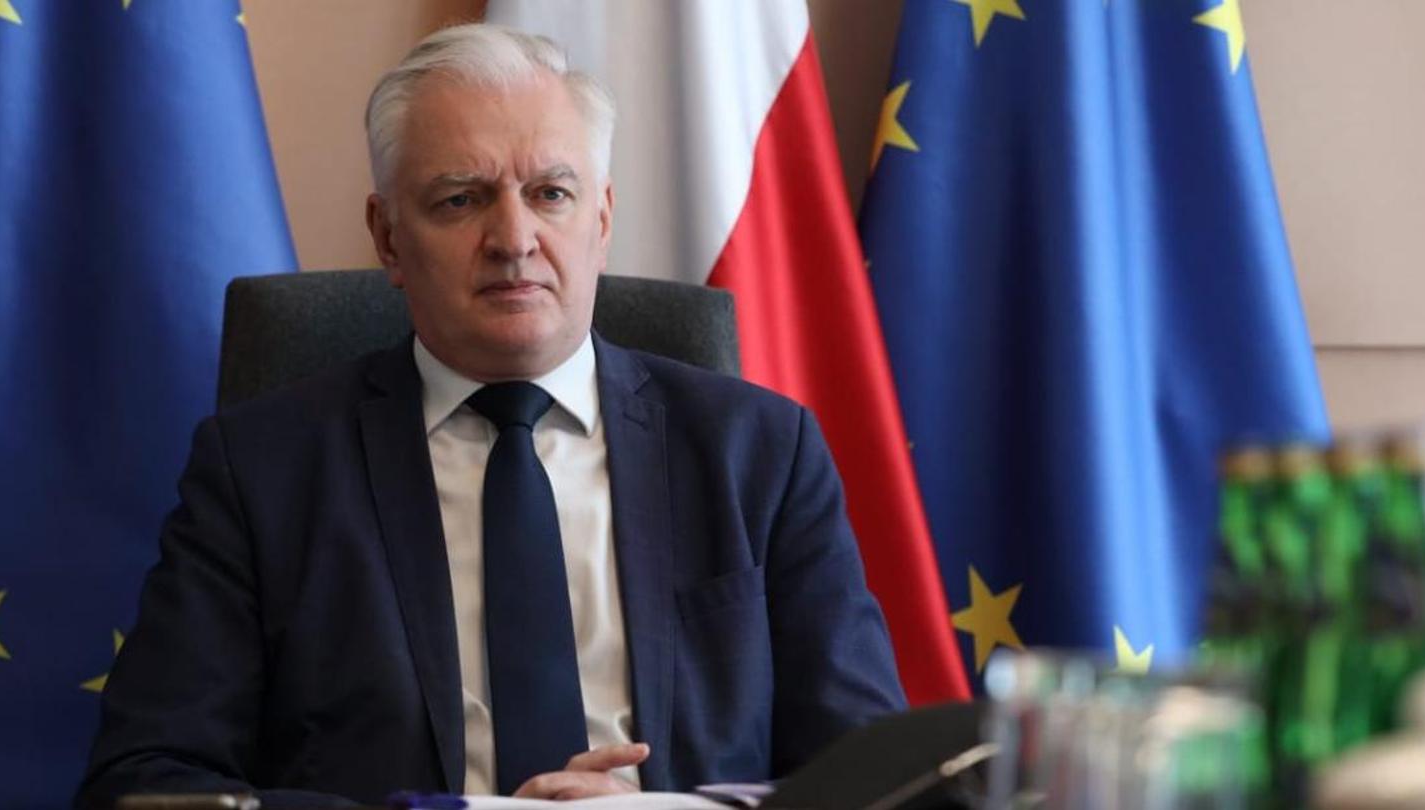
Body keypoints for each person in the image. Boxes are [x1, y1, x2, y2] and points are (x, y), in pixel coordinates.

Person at [75, 23, 906, 808]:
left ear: (602, 220)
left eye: (551, 194)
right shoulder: (262, 471)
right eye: (460, 200)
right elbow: (146, 785)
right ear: (388, 238)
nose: (514, 238)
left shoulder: (760, 453)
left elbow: (880, 780)